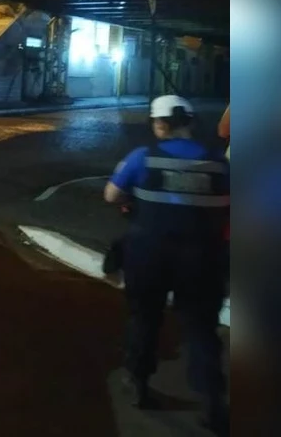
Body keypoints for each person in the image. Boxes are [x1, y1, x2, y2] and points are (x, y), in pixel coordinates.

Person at [104, 95, 231, 434]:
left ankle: (140, 385)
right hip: (203, 260)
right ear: (190, 122)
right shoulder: (219, 164)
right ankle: (212, 404)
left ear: (159, 124)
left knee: (144, 320)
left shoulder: (143, 158)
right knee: (201, 330)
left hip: (149, 256)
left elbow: (111, 195)